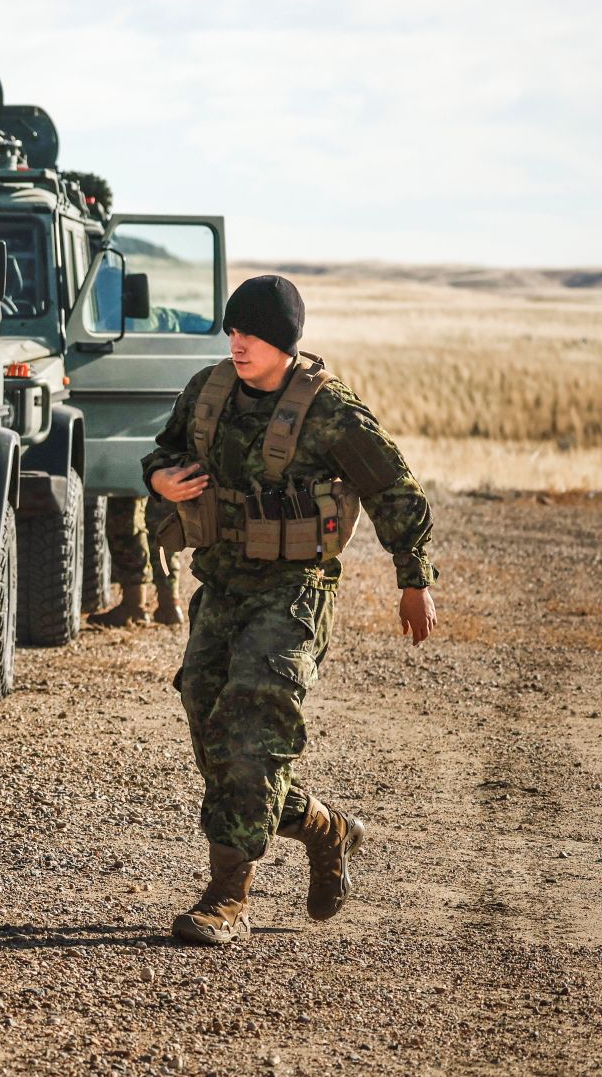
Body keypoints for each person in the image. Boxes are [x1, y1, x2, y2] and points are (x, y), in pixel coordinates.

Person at [144, 274, 437, 947]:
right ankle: (328, 829)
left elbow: (396, 491)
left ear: (284, 342)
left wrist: (414, 577)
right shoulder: (208, 390)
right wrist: (160, 476)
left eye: (252, 333)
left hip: (295, 592)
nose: (238, 342)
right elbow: (165, 451)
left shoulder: (329, 409)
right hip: (220, 587)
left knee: (252, 735)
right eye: (233, 330)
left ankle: (227, 898)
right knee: (218, 744)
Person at [90, 494, 182, 627]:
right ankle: (170, 604)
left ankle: (134, 605)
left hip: (134, 474)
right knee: (162, 525)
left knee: (126, 516)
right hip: (172, 474)